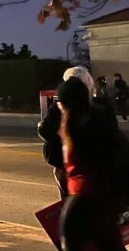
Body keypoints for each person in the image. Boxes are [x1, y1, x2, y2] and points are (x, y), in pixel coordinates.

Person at [52, 77, 129, 251]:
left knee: (70, 233)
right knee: (108, 243)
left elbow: (98, 161)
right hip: (99, 193)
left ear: (67, 102)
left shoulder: (85, 123)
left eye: (60, 102)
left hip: (91, 192)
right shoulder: (88, 118)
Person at [39, 66, 97, 199]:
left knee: (69, 199)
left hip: (65, 162)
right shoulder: (97, 106)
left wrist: (41, 126)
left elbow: (46, 131)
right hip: (92, 162)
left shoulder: (59, 108)